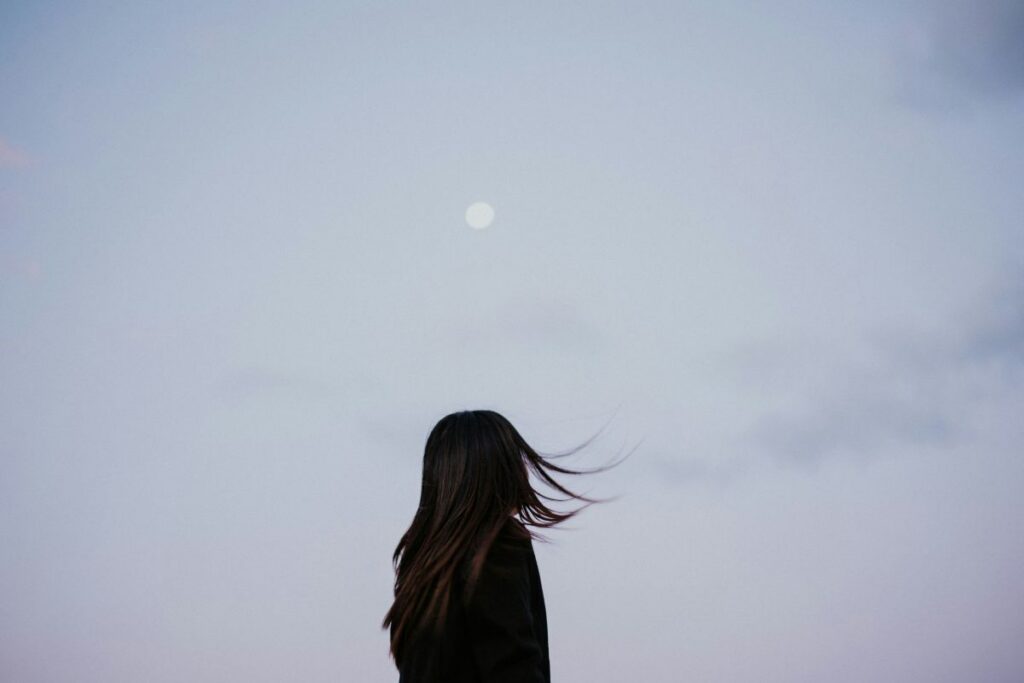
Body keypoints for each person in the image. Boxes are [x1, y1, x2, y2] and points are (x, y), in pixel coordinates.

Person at [382, 409, 634, 682]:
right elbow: (513, 666)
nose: (524, 470)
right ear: (498, 470)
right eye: (516, 459)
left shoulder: (423, 562)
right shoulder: (495, 544)